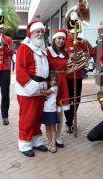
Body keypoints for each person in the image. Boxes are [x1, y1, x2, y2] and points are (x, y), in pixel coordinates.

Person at [16, 21, 49, 157]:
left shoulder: (42, 48)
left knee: (37, 117)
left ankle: (36, 141)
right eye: (37, 31)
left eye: (42, 31)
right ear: (31, 33)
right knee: (27, 118)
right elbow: (20, 70)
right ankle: (24, 144)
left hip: (40, 88)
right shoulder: (24, 48)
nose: (40, 34)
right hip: (27, 88)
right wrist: (31, 86)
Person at [64, 11, 96, 134]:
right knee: (68, 100)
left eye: (76, 32)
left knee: (77, 100)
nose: (75, 34)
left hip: (78, 76)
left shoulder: (82, 42)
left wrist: (88, 44)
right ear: (68, 31)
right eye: (72, 33)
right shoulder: (64, 41)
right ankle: (68, 122)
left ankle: (71, 117)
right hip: (67, 76)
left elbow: (92, 54)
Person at [46, 29, 70, 148]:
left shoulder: (66, 53)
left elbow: (66, 69)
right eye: (58, 38)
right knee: (51, 110)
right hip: (52, 82)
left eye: (63, 39)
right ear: (54, 39)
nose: (61, 41)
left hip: (63, 83)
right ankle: (51, 138)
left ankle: (58, 137)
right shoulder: (48, 51)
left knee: (60, 112)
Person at [41, 72, 59, 153]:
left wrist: (37, 88)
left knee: (53, 128)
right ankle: (50, 143)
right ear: (48, 81)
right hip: (45, 110)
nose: (53, 82)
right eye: (51, 80)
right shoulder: (47, 87)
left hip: (52, 110)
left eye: (55, 80)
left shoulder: (54, 88)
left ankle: (54, 144)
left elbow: (45, 93)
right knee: (47, 128)